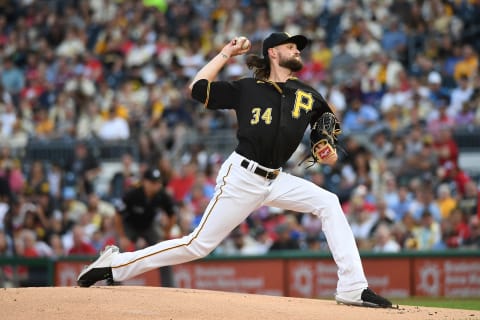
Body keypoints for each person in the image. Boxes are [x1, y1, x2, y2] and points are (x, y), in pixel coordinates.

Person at [77, 32, 393, 308]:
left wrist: (325, 143)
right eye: (291, 46)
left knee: (329, 203)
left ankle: (353, 287)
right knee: (197, 245)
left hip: (276, 178)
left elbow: (326, 120)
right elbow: (198, 88)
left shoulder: (307, 94)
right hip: (242, 176)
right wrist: (225, 54)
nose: (297, 50)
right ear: (273, 52)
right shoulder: (248, 88)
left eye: (299, 47)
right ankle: (113, 265)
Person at [113, 167, 177, 287]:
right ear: (145, 182)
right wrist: (122, 236)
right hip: (130, 225)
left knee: (164, 251)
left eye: (158, 182)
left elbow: (173, 216)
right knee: (117, 251)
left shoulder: (161, 195)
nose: (156, 185)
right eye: (153, 182)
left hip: (149, 226)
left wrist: (165, 235)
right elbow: (117, 214)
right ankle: (113, 286)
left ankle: (169, 288)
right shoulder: (133, 193)